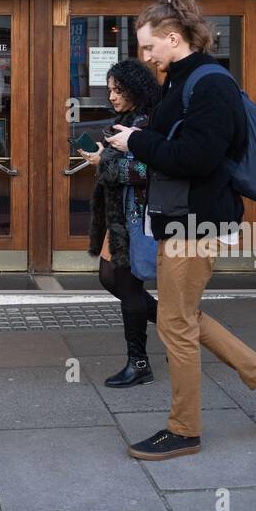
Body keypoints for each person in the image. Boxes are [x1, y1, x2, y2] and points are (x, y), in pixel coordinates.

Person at [106, 0, 256, 461]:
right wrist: (142, 137)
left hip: (197, 222)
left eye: (149, 46)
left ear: (172, 37)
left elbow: (197, 157)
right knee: (183, 315)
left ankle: (184, 429)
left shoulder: (210, 83)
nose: (144, 56)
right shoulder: (180, 79)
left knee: (175, 325)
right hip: (180, 218)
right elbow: (179, 142)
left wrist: (136, 144)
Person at [80, 59, 161, 387]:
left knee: (126, 285)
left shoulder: (149, 122)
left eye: (119, 90)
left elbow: (150, 171)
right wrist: (104, 156)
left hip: (137, 217)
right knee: (109, 277)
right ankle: (181, 329)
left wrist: (105, 164)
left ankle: (139, 362)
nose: (112, 96)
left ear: (136, 89)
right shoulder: (128, 119)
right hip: (120, 216)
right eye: (110, 90)